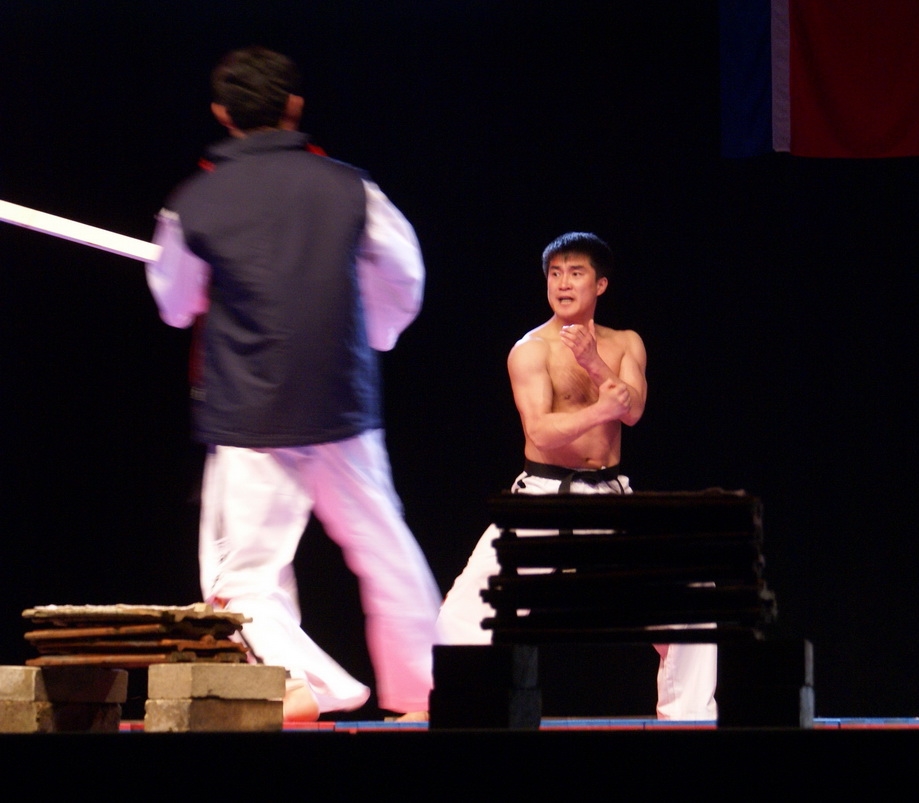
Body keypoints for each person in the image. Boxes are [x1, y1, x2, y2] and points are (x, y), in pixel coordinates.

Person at [144, 46, 441, 721]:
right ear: (294, 106)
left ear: (222, 113)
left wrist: (213, 285)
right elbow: (405, 275)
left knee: (240, 577)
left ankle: (307, 681)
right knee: (385, 547)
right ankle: (425, 690)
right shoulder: (350, 187)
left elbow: (174, 303)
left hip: (251, 413)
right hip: (341, 401)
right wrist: (372, 331)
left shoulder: (193, 202)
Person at [436, 232, 717, 720]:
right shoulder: (530, 350)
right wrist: (600, 409)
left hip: (610, 497)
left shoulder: (626, 342)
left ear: (600, 284)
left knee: (693, 595)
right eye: (555, 273)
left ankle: (688, 722)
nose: (563, 283)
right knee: (462, 614)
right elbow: (540, 432)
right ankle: (463, 716)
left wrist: (591, 362)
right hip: (544, 498)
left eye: (576, 272)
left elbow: (633, 410)